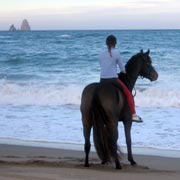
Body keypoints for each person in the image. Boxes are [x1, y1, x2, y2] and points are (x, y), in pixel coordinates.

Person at [99, 35, 143, 123]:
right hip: (113, 79)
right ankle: (133, 115)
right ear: (115, 44)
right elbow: (122, 69)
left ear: (106, 43)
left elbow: (102, 65)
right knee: (128, 94)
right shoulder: (117, 53)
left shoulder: (100, 53)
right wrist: (125, 72)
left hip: (102, 80)